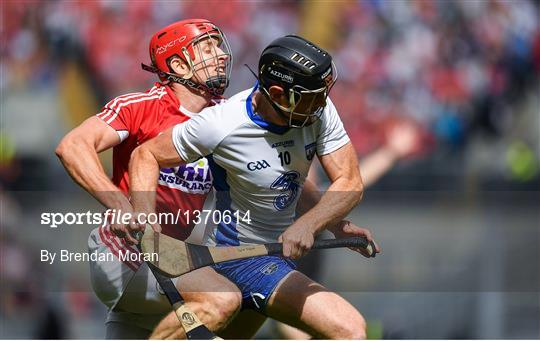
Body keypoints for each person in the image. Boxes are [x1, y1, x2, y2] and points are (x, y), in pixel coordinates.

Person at [129, 34, 381, 339]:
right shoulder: (221, 125)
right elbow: (146, 154)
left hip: (278, 257)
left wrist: (330, 224)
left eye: (322, 94)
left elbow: (347, 182)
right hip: (237, 257)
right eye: (311, 97)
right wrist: (145, 221)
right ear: (277, 92)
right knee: (350, 330)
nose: (321, 104)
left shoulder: (318, 111)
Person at [56, 19, 248, 339]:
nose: (222, 55)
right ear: (178, 65)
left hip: (168, 260)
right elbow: (73, 146)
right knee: (224, 299)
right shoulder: (141, 107)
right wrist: (120, 203)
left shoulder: (226, 117)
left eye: (219, 45)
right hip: (123, 253)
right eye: (207, 47)